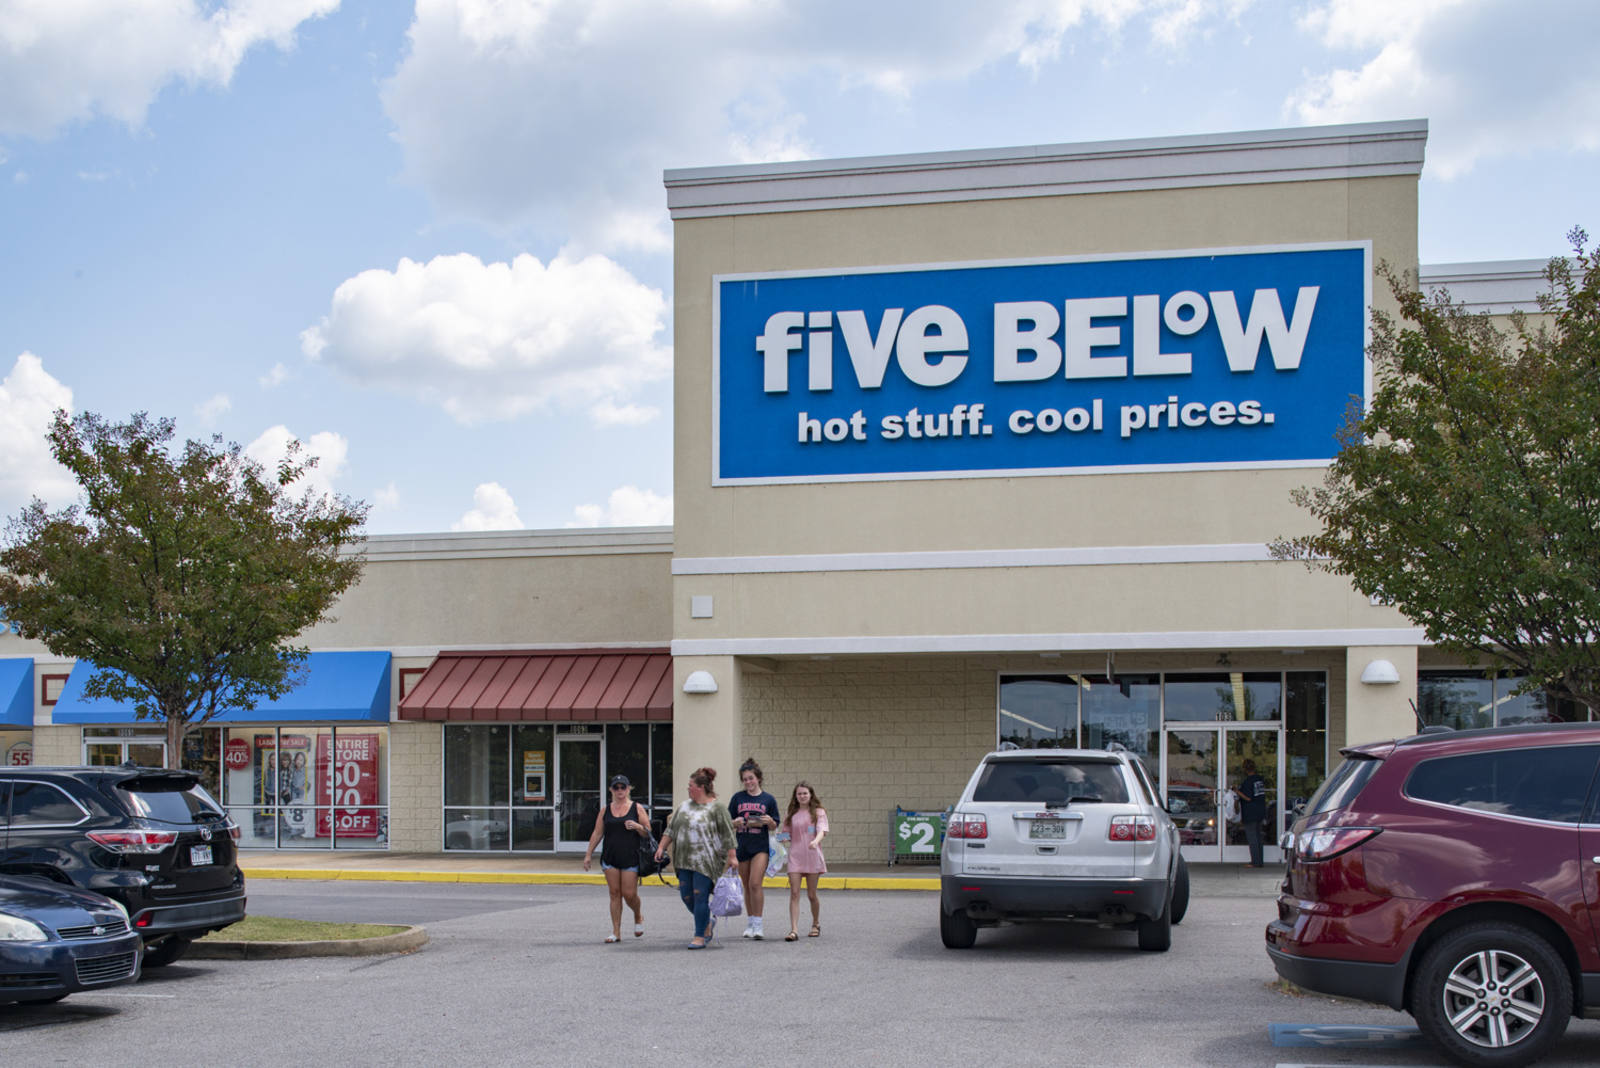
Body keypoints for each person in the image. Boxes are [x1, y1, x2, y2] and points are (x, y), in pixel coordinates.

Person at [655, 766, 738, 949]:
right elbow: (672, 829)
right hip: (684, 859)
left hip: (706, 860)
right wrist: (661, 847)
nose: (688, 788)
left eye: (690, 785)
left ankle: (699, 935)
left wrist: (732, 856)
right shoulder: (684, 806)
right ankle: (707, 923)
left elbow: (727, 834)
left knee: (699, 895)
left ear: (700, 787)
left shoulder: (717, 808)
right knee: (686, 897)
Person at [582, 774, 649, 942]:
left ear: (628, 789)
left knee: (629, 894)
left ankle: (638, 915)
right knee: (614, 893)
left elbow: (648, 832)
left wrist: (637, 826)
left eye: (623, 787)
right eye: (616, 787)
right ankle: (616, 931)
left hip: (630, 856)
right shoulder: (606, 810)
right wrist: (588, 854)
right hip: (610, 856)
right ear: (611, 790)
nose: (620, 790)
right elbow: (598, 832)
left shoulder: (636, 808)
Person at [728, 757, 780, 940]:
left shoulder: (768, 799)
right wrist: (735, 822)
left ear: (758, 778)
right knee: (746, 885)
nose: (748, 782)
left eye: (751, 778)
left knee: (755, 883)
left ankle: (758, 924)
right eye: (745, 779)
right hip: (742, 845)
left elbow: (775, 825)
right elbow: (728, 822)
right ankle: (750, 923)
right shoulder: (737, 798)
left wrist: (769, 821)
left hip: (760, 847)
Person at [781, 781, 828, 941]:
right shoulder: (791, 813)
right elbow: (786, 833)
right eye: (799, 794)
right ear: (795, 796)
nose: (802, 796)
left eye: (805, 793)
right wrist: (778, 839)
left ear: (811, 795)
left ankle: (816, 923)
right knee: (794, 893)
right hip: (795, 857)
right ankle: (793, 930)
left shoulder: (819, 812)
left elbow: (822, 830)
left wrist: (815, 841)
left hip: (812, 857)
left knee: (811, 894)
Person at [1234, 759, 1268, 868]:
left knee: (1252, 838)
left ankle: (1255, 862)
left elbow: (1248, 798)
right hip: (1260, 811)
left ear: (1245, 769)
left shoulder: (1248, 782)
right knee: (1258, 837)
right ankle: (1260, 861)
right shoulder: (1259, 781)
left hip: (1250, 813)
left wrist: (1237, 791)